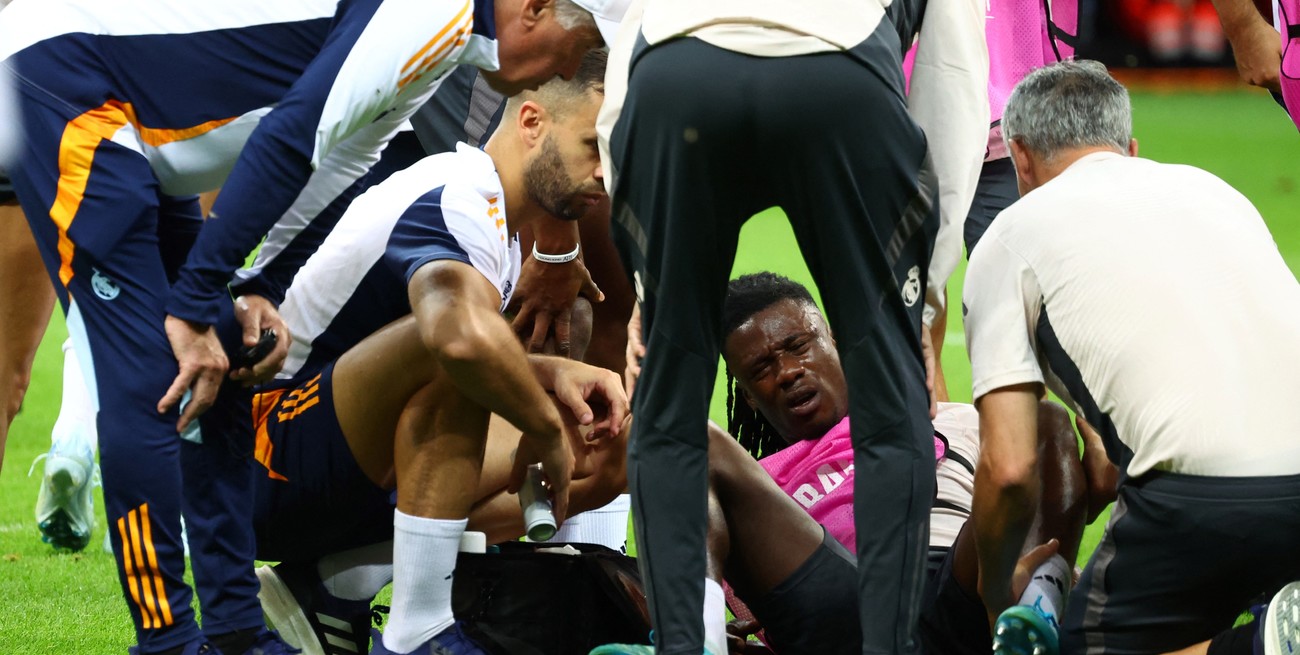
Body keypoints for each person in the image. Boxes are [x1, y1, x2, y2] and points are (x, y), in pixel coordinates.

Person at [0, 0, 611, 651]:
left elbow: (341, 159)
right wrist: (202, 292)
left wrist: (254, 284)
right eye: (570, 50)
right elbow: (294, 133)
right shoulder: (438, 16)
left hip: (136, 112)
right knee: (148, 379)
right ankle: (169, 640)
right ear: (536, 8)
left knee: (224, 352)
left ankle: (238, 630)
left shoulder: (446, 43)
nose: (563, 68)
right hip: (69, 81)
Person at [215, 54, 626, 655]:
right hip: (257, 462)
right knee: (467, 353)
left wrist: (552, 372)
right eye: (593, 145)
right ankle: (420, 630)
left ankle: (339, 582)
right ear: (531, 122)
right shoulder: (458, 195)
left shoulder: (505, 231)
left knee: (602, 444)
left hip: (330, 459)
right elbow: (453, 339)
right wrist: (538, 424)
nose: (604, 173)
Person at [598, 1, 945, 650]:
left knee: (667, 414)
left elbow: (629, 58)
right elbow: (948, 77)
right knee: (895, 418)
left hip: (678, 72)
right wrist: (920, 297)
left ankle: (687, 641)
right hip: (841, 73)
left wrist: (647, 281)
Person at [963, 60, 1300, 655]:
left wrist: (993, 591)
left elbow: (1010, 469)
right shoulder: (1216, 192)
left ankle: (1261, 646)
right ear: (1131, 149)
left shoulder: (1009, 236)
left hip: (1199, 500)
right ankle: (1266, 633)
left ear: (1018, 158)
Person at [593, 272, 1090, 655]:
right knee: (692, 441)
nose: (788, 372)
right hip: (842, 600)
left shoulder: (949, 418)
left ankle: (1034, 614)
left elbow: (1054, 490)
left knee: (1037, 416)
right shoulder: (752, 484)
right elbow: (751, 608)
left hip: (965, 583)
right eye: (762, 369)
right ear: (746, 396)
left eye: (798, 347)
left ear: (834, 339)